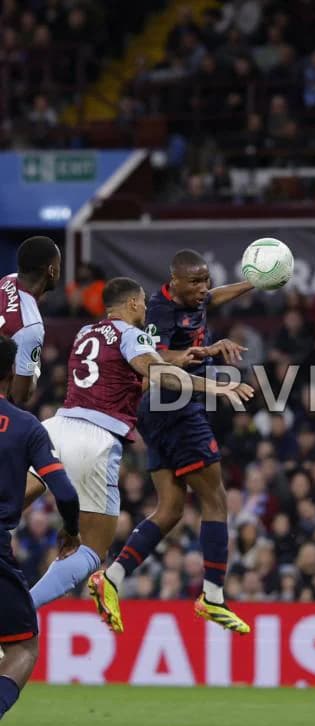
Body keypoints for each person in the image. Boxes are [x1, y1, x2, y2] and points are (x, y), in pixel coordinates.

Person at [24, 277, 253, 614]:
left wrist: (196, 353)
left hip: (55, 429)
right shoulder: (132, 335)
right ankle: (23, 609)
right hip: (95, 442)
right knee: (91, 553)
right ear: (132, 304)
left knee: (8, 507)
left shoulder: (86, 333)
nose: (146, 308)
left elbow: (132, 373)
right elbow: (156, 372)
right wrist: (216, 388)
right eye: (143, 302)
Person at [89, 251, 258, 634]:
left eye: (205, 280)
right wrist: (203, 354)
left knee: (170, 510)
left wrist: (256, 282)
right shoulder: (160, 312)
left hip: (159, 412)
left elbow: (217, 297)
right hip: (175, 406)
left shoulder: (197, 299)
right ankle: (213, 596)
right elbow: (155, 359)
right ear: (174, 281)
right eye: (195, 282)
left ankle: (111, 578)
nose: (204, 288)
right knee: (215, 500)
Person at [0, 335, 83, 726]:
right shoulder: (26, 425)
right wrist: (70, 530)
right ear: (11, 372)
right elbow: (64, 491)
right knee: (22, 645)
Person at [0, 236, 61, 406]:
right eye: (59, 264)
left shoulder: (8, 279)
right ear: (51, 270)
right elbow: (20, 395)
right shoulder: (31, 326)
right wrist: (35, 369)